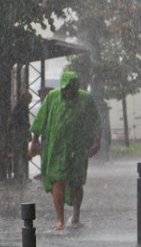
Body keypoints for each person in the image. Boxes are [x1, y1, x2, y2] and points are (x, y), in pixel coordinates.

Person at [28, 72, 102, 231]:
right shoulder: (53, 97)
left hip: (79, 148)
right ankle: (59, 219)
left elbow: (95, 120)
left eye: (70, 89)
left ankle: (76, 214)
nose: (67, 92)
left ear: (76, 87)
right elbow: (40, 120)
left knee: (76, 182)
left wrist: (97, 143)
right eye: (65, 89)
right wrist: (33, 143)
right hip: (56, 148)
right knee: (58, 180)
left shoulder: (85, 99)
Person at [8, 92, 33, 181]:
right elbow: (23, 121)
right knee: (20, 154)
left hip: (19, 133)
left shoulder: (18, 108)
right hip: (20, 133)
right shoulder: (22, 109)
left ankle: (18, 174)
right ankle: (20, 175)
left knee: (19, 154)